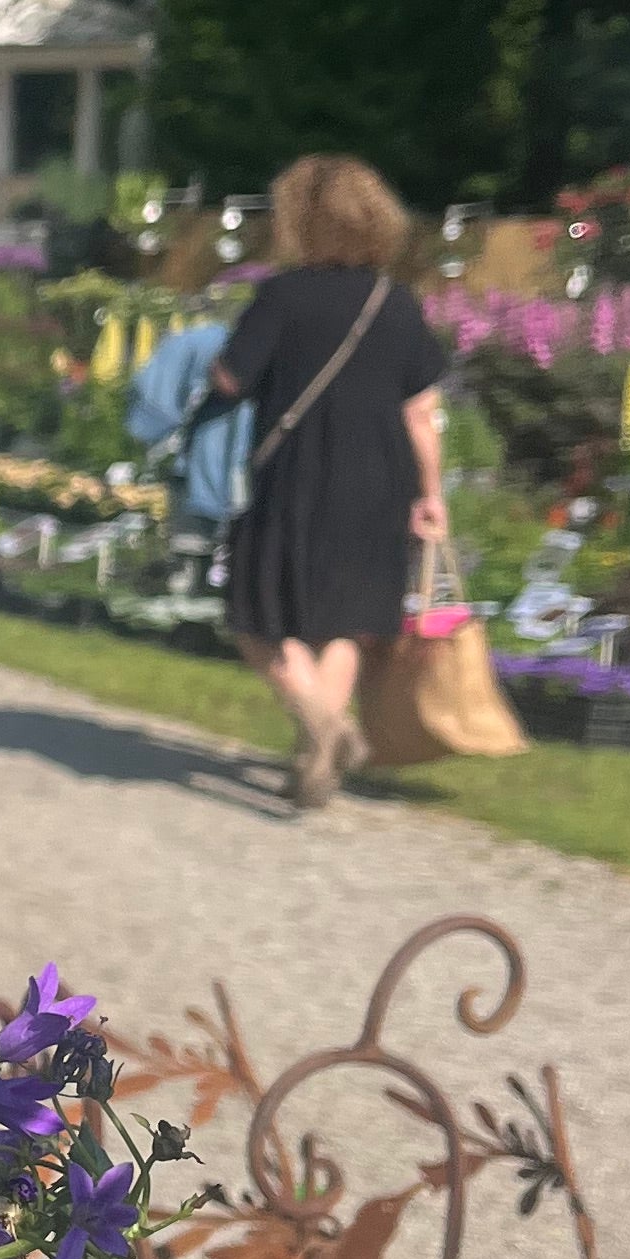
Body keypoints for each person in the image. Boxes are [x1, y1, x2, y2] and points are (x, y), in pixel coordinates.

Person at [208, 153, 446, 807]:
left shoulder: (282, 297)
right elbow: (421, 413)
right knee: (343, 621)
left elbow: (231, 378)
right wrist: (431, 495)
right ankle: (318, 760)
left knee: (255, 615)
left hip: (294, 477)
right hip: (380, 483)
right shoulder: (395, 303)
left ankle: (323, 725)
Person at [125, 306, 250, 591]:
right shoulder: (208, 345)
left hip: (206, 457)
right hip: (222, 458)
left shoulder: (200, 343)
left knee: (194, 536)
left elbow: (155, 399)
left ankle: (189, 580)